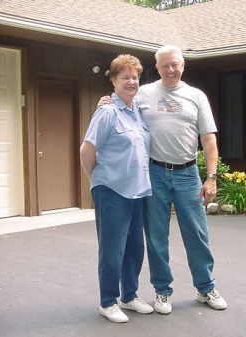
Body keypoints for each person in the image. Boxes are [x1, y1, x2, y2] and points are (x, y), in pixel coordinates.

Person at [98, 45, 227, 314]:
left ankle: (206, 287)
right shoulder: (144, 93)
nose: (171, 70)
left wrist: (211, 177)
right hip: (154, 173)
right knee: (156, 237)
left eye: (175, 64)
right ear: (157, 68)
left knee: (197, 234)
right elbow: (123, 103)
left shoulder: (196, 96)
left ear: (183, 65)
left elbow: (209, 139)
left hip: (188, 174)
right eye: (165, 65)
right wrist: (106, 101)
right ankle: (162, 292)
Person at [80, 54, 153, 323]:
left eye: (135, 77)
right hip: (111, 190)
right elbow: (87, 150)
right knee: (112, 249)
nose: (131, 81)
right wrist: (96, 179)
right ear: (113, 81)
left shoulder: (137, 112)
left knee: (134, 247)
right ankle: (107, 301)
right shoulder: (107, 112)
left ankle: (130, 296)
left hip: (137, 191)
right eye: (125, 77)